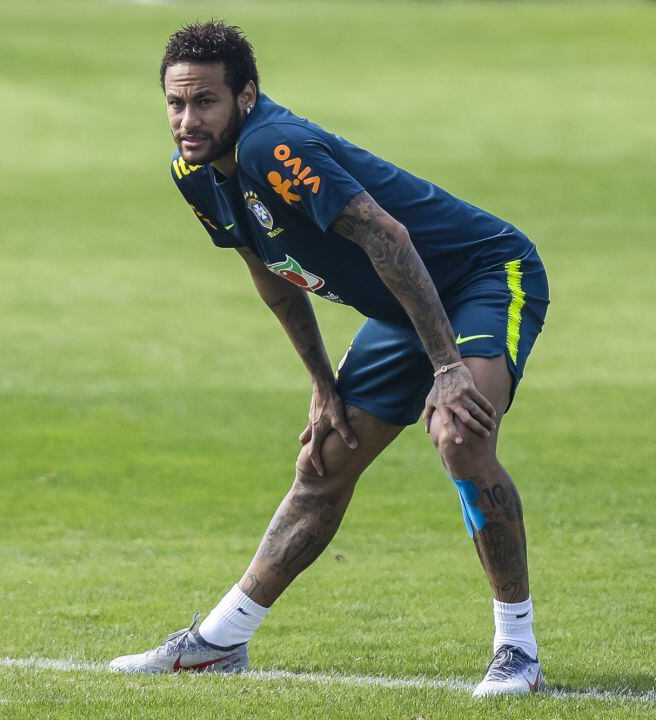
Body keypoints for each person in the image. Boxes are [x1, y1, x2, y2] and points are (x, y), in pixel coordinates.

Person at [108, 22, 550, 697]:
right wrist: (322, 385)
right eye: (175, 103)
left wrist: (447, 366)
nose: (187, 120)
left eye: (206, 102)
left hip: (481, 278)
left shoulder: (275, 148)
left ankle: (518, 651)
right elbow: (271, 278)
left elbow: (389, 237)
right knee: (325, 457)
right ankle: (219, 642)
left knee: (458, 434)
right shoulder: (195, 175)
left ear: (246, 97)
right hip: (405, 307)